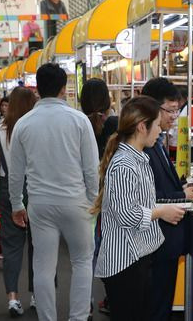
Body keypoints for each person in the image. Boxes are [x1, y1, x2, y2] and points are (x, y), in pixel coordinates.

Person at [9, 63, 99, 321]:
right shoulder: (79, 120)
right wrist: (94, 200)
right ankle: (78, 318)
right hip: (76, 202)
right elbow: (91, 169)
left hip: (40, 204)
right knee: (82, 262)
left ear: (37, 88)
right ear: (64, 88)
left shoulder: (24, 124)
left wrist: (17, 204)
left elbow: (17, 173)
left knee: (43, 268)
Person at [93, 96, 185, 321]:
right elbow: (127, 214)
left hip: (138, 255)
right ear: (142, 127)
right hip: (125, 261)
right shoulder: (125, 163)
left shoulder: (139, 159)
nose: (159, 131)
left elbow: (140, 204)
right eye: (156, 125)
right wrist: (162, 212)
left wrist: (164, 208)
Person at [141, 77, 193, 321]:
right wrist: (182, 195)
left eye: (178, 110)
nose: (175, 116)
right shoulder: (143, 146)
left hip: (164, 243)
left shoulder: (157, 141)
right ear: (152, 108)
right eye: (171, 110)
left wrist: (183, 187)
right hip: (156, 242)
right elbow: (147, 196)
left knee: (161, 304)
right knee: (155, 306)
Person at [0, 87, 37, 317]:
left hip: (9, 189)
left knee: (11, 246)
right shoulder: (35, 128)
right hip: (37, 189)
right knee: (40, 244)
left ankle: (12, 298)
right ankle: (39, 294)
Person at [80, 78, 118, 314]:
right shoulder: (115, 123)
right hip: (114, 195)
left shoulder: (79, 123)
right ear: (108, 100)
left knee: (86, 256)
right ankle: (113, 298)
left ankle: (86, 305)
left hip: (86, 197)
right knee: (112, 248)